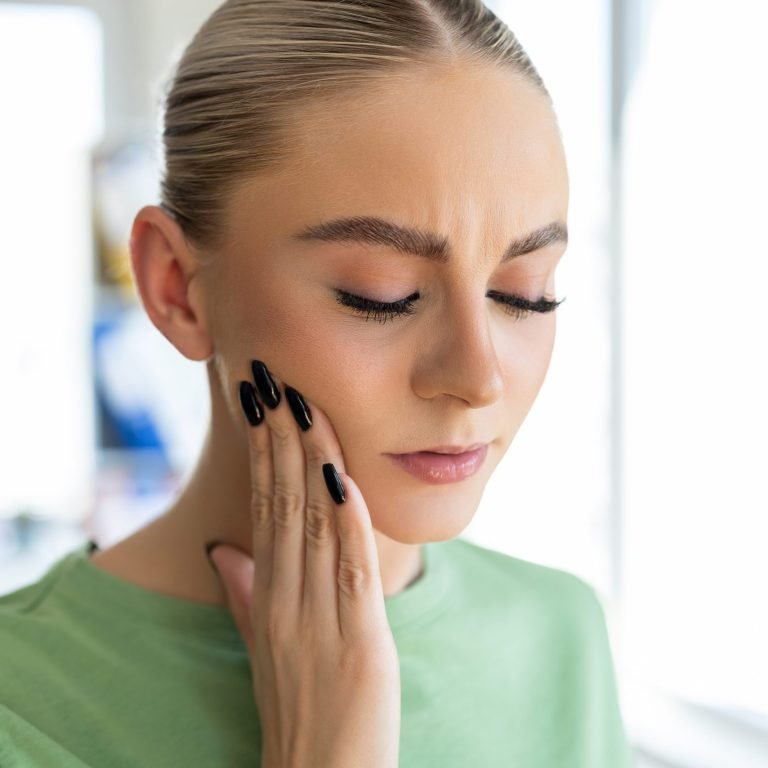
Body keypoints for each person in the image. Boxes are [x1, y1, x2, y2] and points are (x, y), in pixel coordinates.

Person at [0, 1, 634, 766]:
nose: (478, 376)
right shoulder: (21, 702)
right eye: (382, 294)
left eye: (525, 292)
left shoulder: (559, 635)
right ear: (176, 287)